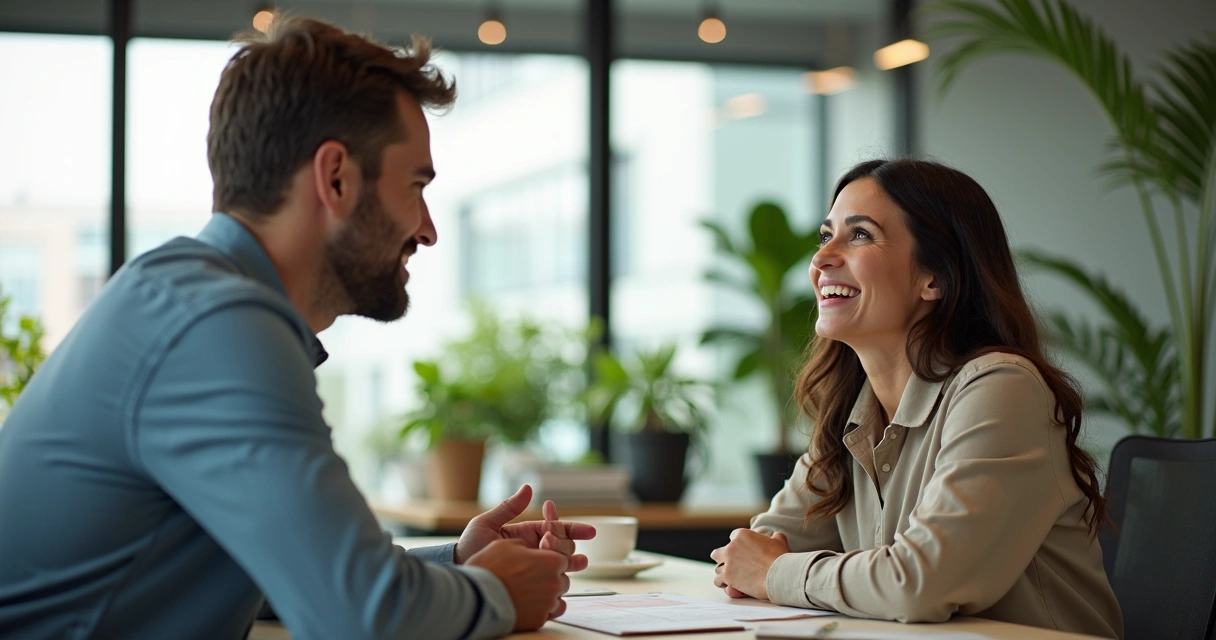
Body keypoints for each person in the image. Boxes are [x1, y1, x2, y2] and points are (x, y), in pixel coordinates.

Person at [0, 16, 595, 640]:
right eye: (415, 186)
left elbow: (282, 574)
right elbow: (358, 613)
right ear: (335, 177)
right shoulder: (216, 326)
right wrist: (494, 594)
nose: (427, 229)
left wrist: (459, 565)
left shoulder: (184, 298)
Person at [710, 159, 1124, 639]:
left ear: (936, 279)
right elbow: (753, 553)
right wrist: (764, 568)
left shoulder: (1002, 389)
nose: (822, 259)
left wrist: (777, 574)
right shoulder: (853, 410)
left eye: (860, 235)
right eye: (827, 236)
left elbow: (920, 583)